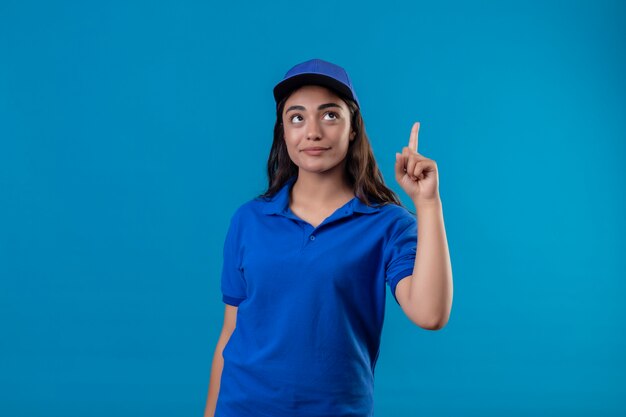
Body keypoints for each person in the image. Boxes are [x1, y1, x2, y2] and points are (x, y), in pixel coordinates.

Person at [204, 58, 453, 417]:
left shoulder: (388, 225)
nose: (313, 132)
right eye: (297, 117)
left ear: (353, 128)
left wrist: (428, 203)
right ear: (284, 132)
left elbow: (430, 314)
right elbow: (230, 331)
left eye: (330, 115)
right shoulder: (249, 220)